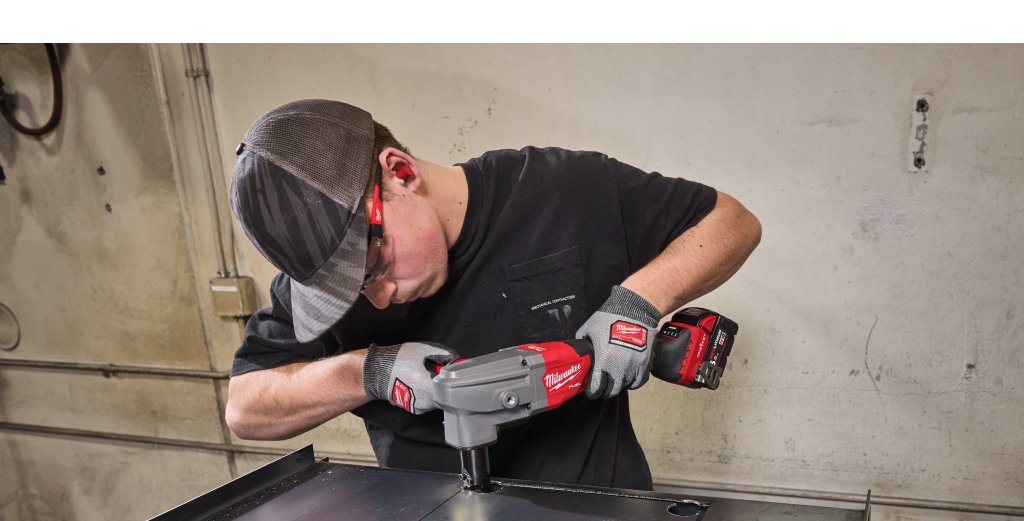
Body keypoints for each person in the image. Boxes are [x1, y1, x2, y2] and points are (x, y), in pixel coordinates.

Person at [226, 99, 761, 491]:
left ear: (401, 173)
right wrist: (368, 372)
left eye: (376, 266)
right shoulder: (334, 279)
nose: (379, 298)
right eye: (356, 289)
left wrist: (636, 304)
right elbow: (246, 409)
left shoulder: (562, 192)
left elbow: (733, 221)